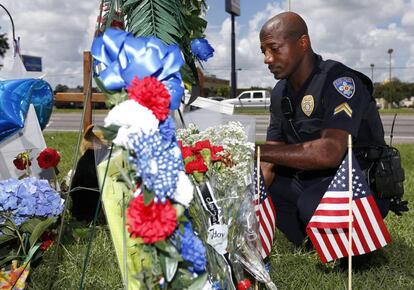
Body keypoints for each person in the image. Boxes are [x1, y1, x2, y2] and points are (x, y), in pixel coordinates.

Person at [259, 11, 405, 248]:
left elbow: (330, 152)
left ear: (302, 43)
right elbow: (269, 159)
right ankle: (312, 242)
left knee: (311, 204)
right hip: (310, 180)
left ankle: (359, 248)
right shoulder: (279, 93)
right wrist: (250, 201)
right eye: (263, 51)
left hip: (357, 182)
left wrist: (256, 150)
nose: (267, 58)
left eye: (274, 48)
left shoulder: (339, 82)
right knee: (261, 186)